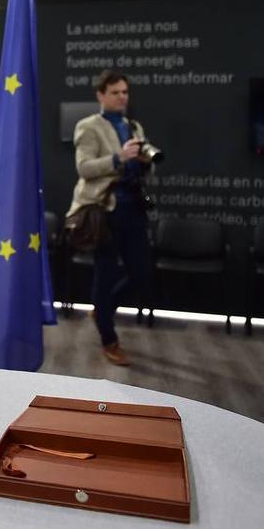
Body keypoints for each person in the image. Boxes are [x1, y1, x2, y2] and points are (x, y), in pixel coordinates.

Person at [66, 70, 155, 366]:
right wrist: (119, 157)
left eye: (125, 92)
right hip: (104, 210)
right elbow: (85, 168)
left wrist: (143, 161)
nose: (122, 97)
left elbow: (141, 169)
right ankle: (109, 338)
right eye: (115, 92)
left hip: (133, 208)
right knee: (105, 274)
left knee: (141, 272)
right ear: (101, 95)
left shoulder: (134, 126)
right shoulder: (88, 126)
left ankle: (102, 311)